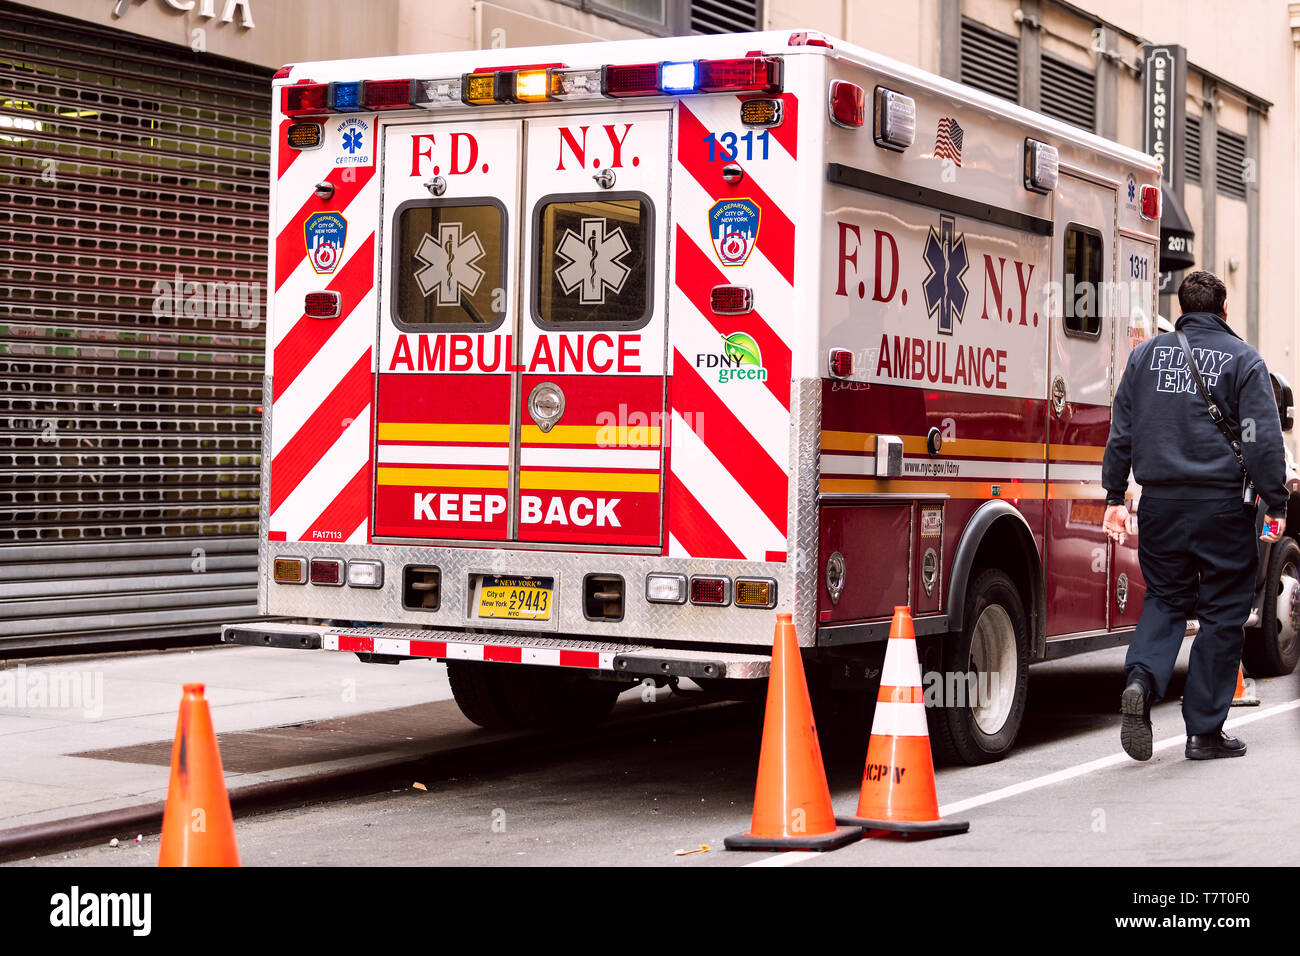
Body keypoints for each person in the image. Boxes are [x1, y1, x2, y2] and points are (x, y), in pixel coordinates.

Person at [1101, 271, 1288, 761]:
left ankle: (1141, 678)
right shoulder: (1244, 360)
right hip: (1222, 505)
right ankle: (1203, 732)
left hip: (1159, 503)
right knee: (1223, 611)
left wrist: (1114, 495)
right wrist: (1277, 499)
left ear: (1180, 308)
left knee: (1164, 597)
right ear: (1224, 311)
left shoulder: (1144, 357)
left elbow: (1122, 431)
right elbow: (1260, 439)